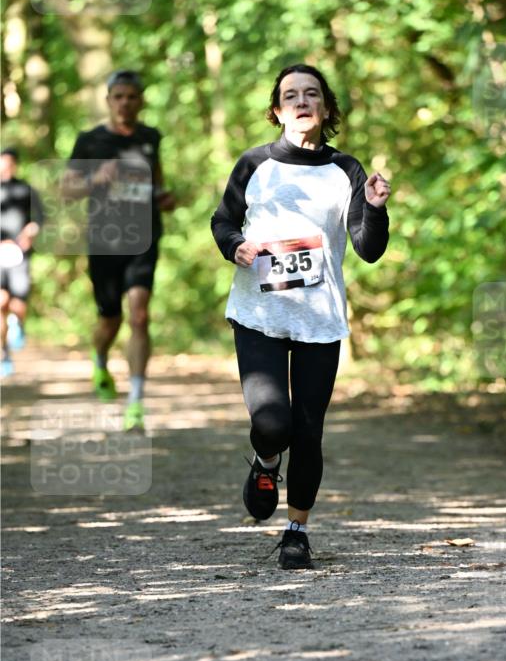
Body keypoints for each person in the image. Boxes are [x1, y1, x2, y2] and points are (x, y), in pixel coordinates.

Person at [211, 63, 391, 569]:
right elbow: (223, 219)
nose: (301, 102)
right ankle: (267, 462)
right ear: (277, 111)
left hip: (319, 318)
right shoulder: (254, 164)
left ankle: (297, 530)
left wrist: (374, 207)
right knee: (272, 423)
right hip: (258, 312)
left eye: (312, 94)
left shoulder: (347, 171)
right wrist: (236, 245)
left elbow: (368, 248)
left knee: (308, 429)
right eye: (291, 95)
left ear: (327, 109)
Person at [62, 70, 175, 430]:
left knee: (139, 315)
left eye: (132, 96)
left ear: (141, 100)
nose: (125, 102)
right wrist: (97, 178)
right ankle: (99, 357)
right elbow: (66, 191)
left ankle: (136, 401)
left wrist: (164, 198)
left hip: (144, 238)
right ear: (108, 100)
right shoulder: (90, 141)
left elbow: (156, 181)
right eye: (118, 96)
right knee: (110, 319)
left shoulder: (149, 138)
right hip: (105, 240)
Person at [1, 147, 45, 377]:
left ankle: (17, 325)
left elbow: (40, 218)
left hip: (20, 255)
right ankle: (3, 353)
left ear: (15, 164)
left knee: (18, 303)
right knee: (1, 301)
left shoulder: (26, 189)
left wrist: (31, 231)